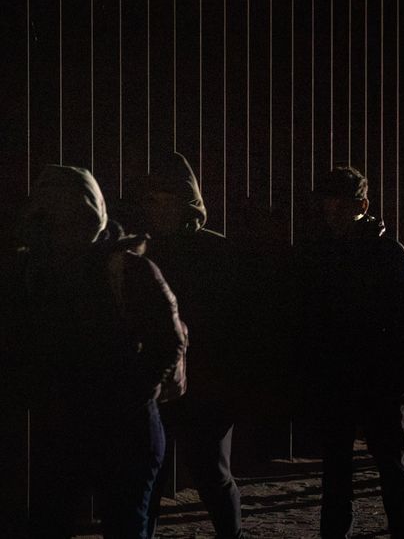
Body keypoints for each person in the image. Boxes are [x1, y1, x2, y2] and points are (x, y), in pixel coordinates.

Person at [13, 165, 187, 538]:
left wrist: (128, 396)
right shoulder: (36, 269)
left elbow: (168, 341)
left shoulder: (125, 268)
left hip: (121, 427)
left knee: (119, 525)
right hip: (74, 423)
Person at [300, 165, 404, 539]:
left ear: (362, 204)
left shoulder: (386, 253)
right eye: (329, 206)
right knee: (347, 470)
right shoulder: (328, 252)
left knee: (386, 465)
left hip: (377, 379)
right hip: (345, 378)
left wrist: (397, 374)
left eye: (340, 206)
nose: (333, 214)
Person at [138, 153, 248, 539]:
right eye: (150, 200)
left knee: (210, 473)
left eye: (161, 200)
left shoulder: (217, 252)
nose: (153, 208)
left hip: (208, 383)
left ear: (181, 202)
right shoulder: (145, 251)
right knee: (149, 477)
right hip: (162, 381)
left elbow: (237, 321)